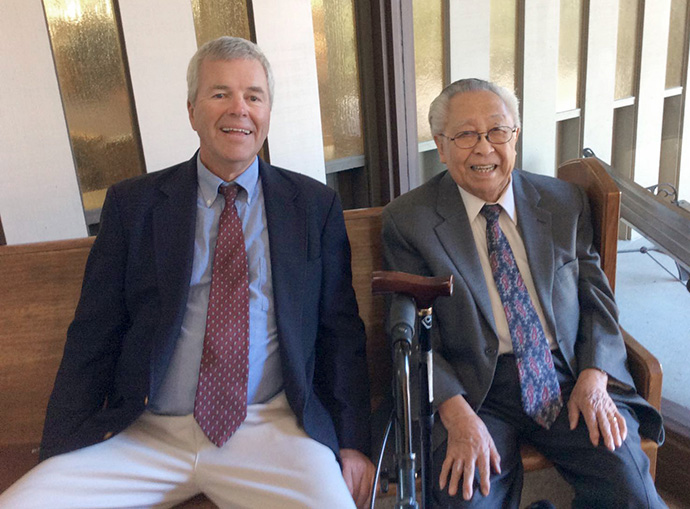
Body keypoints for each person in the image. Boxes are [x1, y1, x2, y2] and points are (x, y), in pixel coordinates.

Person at [0, 36, 374, 509]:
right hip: (145, 430)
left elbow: (340, 331)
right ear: (192, 109)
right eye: (220, 93)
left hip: (271, 426)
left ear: (268, 112)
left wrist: (353, 442)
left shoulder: (313, 206)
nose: (239, 109)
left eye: (253, 96)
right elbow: (93, 334)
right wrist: (59, 448)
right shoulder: (134, 205)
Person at [381, 78, 665, 508]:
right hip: (477, 389)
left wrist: (595, 374)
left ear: (515, 137)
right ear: (440, 147)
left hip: (566, 375)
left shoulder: (562, 201)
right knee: (464, 497)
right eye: (465, 135)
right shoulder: (410, 221)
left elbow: (597, 301)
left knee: (631, 491)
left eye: (498, 131)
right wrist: (456, 415)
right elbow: (413, 334)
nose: (484, 147)